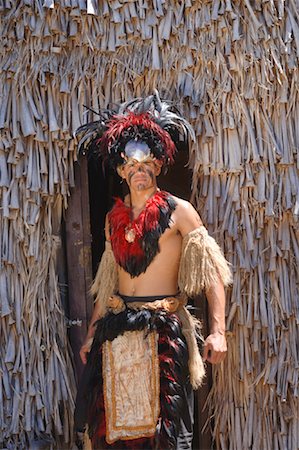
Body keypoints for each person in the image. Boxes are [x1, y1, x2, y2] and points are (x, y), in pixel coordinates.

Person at [74, 92, 232, 450]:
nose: (138, 170)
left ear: (158, 167)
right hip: (117, 331)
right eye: (131, 164)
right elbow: (108, 281)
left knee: (165, 433)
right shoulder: (113, 219)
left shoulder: (181, 212)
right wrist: (92, 332)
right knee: (115, 428)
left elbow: (211, 274)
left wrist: (218, 331)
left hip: (163, 329)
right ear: (120, 170)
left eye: (146, 163)